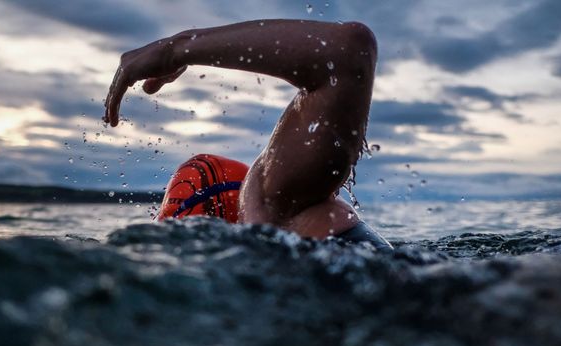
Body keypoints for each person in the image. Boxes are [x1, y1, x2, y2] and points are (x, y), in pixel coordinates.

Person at [104, 19, 392, 250]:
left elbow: (348, 50)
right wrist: (177, 49)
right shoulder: (299, 212)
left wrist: (176, 48)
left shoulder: (265, 207)